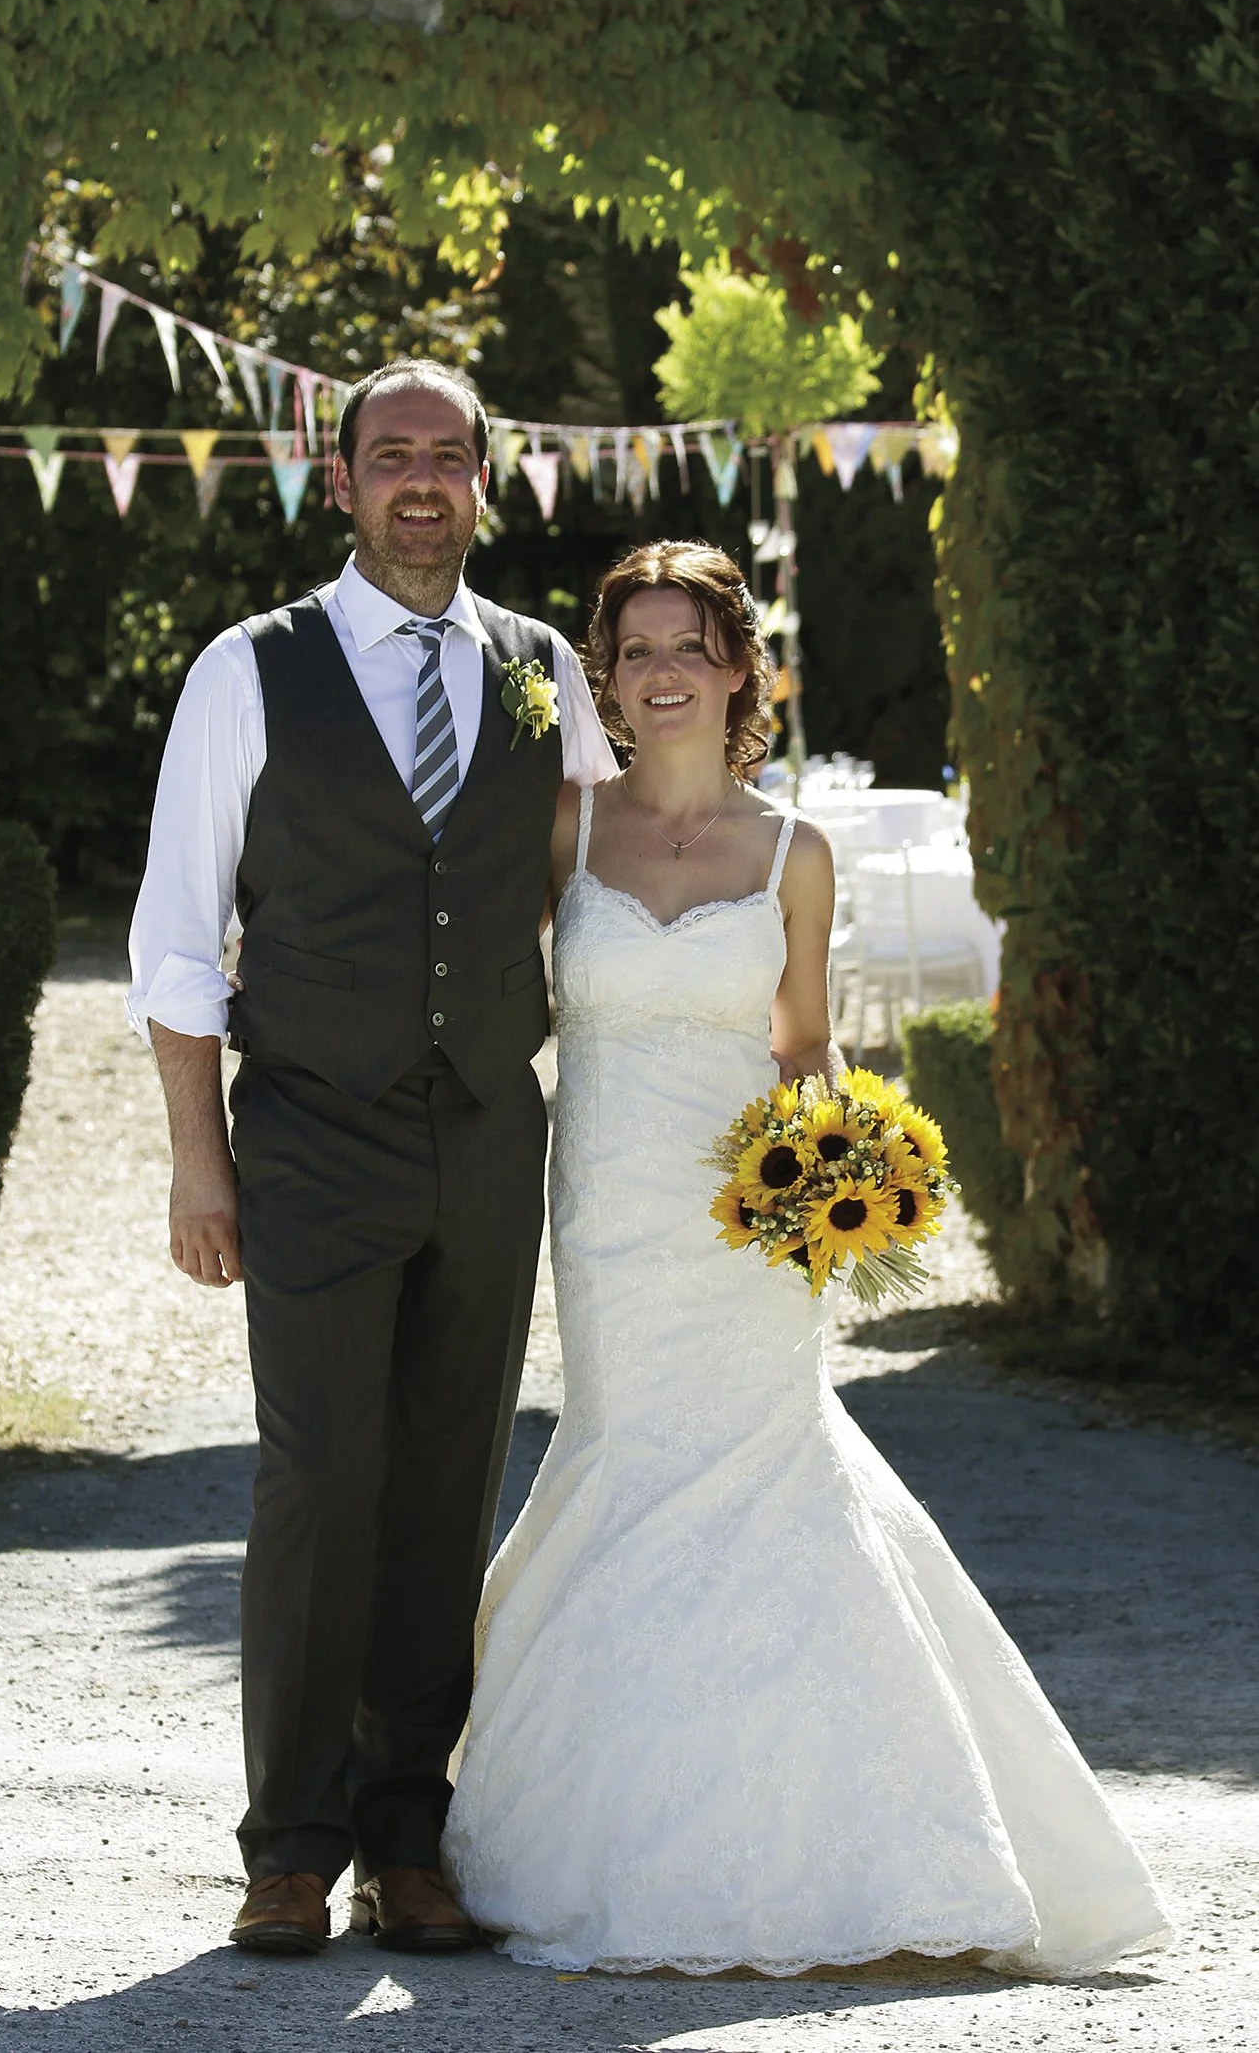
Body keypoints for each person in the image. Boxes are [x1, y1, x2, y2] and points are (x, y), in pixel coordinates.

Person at [442, 539, 1171, 1978]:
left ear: (736, 672)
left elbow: (804, 1044)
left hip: (749, 1222)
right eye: (632, 652)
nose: (659, 677)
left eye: (685, 650)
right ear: (607, 675)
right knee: (622, 1457)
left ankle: (846, 1846)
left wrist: (846, 1180)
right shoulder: (563, 830)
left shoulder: (795, 852)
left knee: (771, 1470)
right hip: (605, 1212)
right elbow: (479, 992)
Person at [126, 359, 617, 1956]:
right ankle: (289, 1843)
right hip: (312, 1136)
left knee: (444, 1484)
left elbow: (586, 879)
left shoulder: (542, 666)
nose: (420, 481)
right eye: (389, 456)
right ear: (334, 483)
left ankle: (408, 1834)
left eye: (448, 457)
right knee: (321, 1477)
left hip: (484, 1127)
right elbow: (176, 938)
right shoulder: (246, 669)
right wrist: (200, 1166)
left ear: (485, 482)